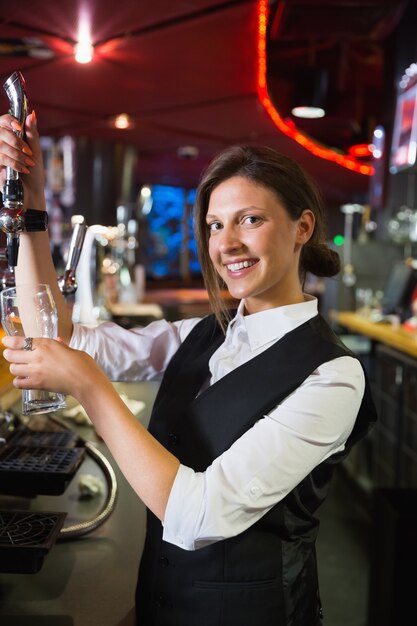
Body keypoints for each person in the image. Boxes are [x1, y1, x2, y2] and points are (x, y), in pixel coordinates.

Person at [0, 111, 376, 626]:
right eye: (215, 225)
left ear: (302, 227)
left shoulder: (333, 376)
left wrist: (89, 386)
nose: (226, 244)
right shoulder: (201, 334)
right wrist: (33, 206)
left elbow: (199, 515)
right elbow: (57, 336)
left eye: (251, 219)